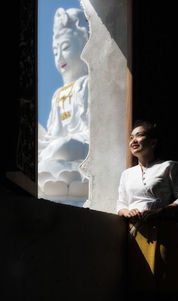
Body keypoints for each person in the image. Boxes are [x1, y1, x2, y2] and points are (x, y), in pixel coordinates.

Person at [117, 120, 178, 295]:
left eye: (139, 135)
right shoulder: (127, 174)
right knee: (139, 283)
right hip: (136, 233)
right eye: (131, 137)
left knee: (165, 282)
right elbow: (120, 204)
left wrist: (162, 211)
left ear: (153, 142)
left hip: (163, 230)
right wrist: (128, 211)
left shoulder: (169, 166)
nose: (133, 140)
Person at [38, 8, 89, 206]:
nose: (59, 57)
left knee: (63, 146)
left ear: (85, 46)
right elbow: (54, 134)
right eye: (55, 51)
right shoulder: (57, 95)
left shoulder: (87, 85)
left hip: (82, 144)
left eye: (66, 47)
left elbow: (92, 132)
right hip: (57, 148)